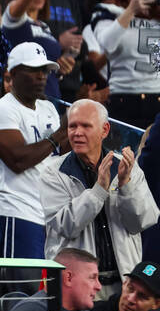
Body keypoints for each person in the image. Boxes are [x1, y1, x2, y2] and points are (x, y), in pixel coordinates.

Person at [40, 99, 158, 295]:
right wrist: (99, 191)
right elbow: (67, 225)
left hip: (123, 285)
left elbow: (141, 222)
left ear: (105, 130)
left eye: (85, 126)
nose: (77, 132)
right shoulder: (52, 173)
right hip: (75, 286)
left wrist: (125, 185)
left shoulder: (127, 168)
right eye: (72, 126)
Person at [0, 42, 67, 259]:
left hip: (48, 215)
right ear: (13, 74)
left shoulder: (48, 108)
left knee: (47, 290)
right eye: (34, 70)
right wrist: (59, 135)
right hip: (17, 211)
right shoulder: (1, 110)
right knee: (23, 289)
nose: (41, 76)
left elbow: (58, 157)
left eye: (44, 71)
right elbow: (18, 160)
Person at [82, 0, 160, 128]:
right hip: (125, 99)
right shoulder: (108, 11)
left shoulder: (157, 16)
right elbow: (107, 44)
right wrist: (131, 10)